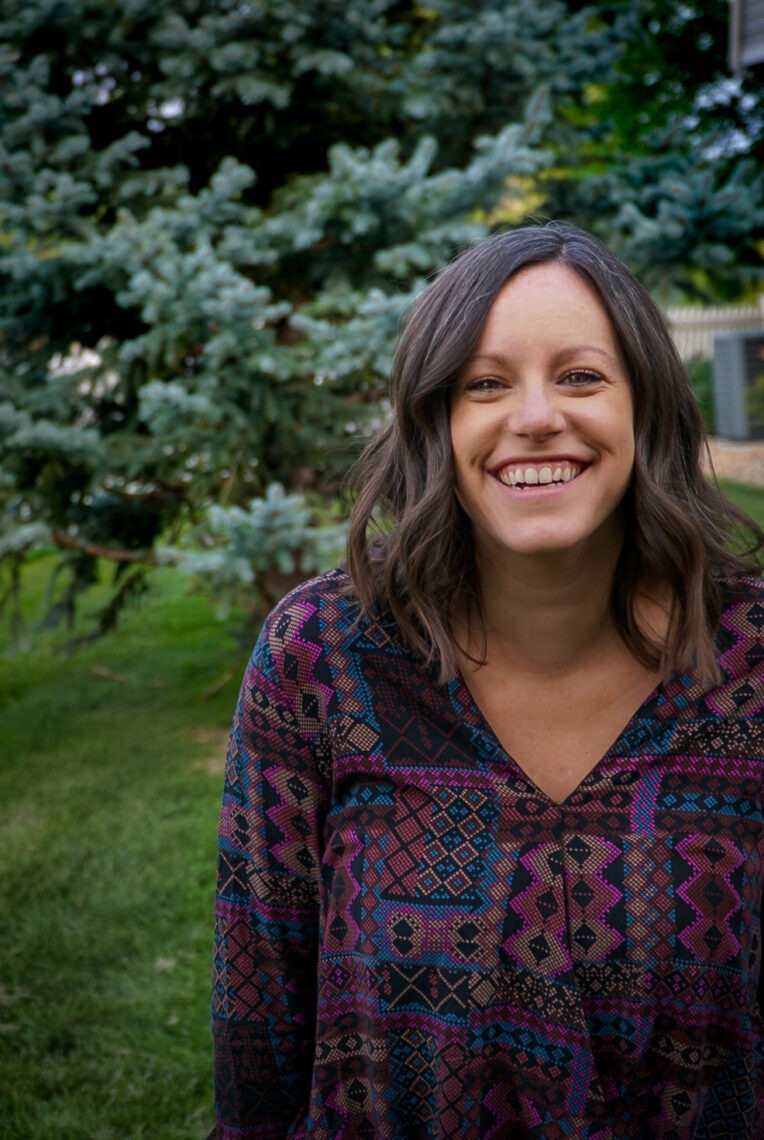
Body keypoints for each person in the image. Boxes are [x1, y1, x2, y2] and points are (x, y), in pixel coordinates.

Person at [210, 222, 764, 1139]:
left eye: (582, 376)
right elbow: (257, 1022)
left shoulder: (748, 660)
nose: (537, 416)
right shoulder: (320, 657)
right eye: (485, 384)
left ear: (647, 409)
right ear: (437, 422)